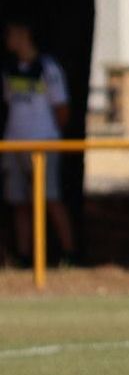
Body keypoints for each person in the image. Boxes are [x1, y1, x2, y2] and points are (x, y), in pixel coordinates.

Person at [2, 19, 76, 266]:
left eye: (12, 33)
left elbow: (62, 110)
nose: (8, 38)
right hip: (14, 143)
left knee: (50, 199)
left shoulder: (47, 68)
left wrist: (48, 135)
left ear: (24, 34)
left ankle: (69, 254)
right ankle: (24, 256)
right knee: (19, 201)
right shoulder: (10, 69)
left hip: (42, 145)